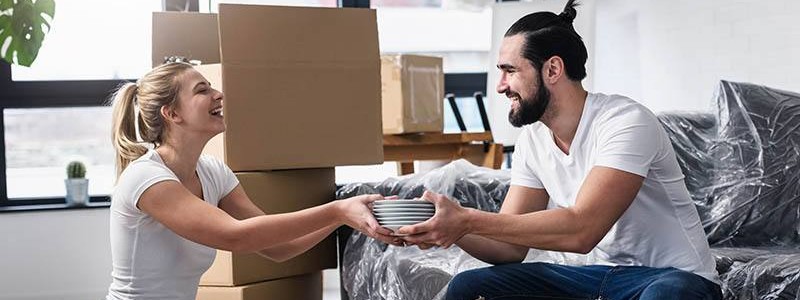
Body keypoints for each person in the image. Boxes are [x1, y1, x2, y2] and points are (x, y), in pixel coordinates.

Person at [396, 1, 722, 299]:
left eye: (510, 70)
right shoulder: (534, 140)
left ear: (552, 70)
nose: (500, 85)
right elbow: (509, 248)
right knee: (470, 286)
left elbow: (583, 230)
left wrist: (466, 219)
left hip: (669, 278)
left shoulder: (626, 122)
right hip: (594, 277)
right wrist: (445, 228)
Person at [105, 62, 398, 300]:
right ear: (172, 114)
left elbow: (280, 248)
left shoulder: (213, 173)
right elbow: (236, 236)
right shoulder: (146, 178)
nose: (218, 94)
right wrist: (336, 210)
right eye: (202, 90)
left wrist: (344, 217)